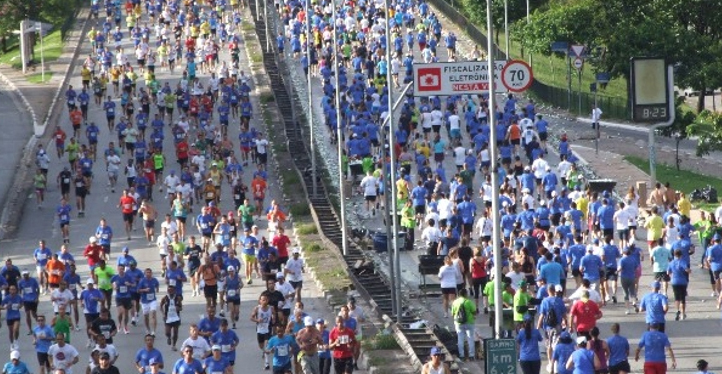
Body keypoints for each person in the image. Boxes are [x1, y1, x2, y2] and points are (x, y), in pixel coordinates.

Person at [251, 294, 276, 370]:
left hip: (267, 329)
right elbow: (251, 318)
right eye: (263, 300)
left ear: (268, 301)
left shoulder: (271, 308)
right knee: (261, 346)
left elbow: (274, 314)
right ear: (260, 301)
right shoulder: (257, 309)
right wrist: (257, 320)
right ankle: (264, 351)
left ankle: (266, 363)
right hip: (259, 329)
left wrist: (273, 318)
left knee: (266, 346)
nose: (264, 301)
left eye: (266, 300)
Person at [451, 289, 476, 361]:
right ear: (465, 294)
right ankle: (471, 355)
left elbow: (452, 314)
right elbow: (474, 312)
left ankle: (461, 356)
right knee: (470, 338)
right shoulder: (468, 302)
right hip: (469, 322)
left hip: (458, 323)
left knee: (460, 339)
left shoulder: (455, 302)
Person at [160, 285, 183, 351]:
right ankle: (169, 337)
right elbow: (161, 306)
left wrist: (178, 308)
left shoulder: (178, 298)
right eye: (169, 290)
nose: (170, 292)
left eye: (172, 290)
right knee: (167, 332)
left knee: (175, 333)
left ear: (174, 291)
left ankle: (174, 345)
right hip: (168, 317)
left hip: (176, 317)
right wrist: (163, 314)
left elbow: (181, 308)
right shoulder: (165, 298)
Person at [1, 284, 23, 350]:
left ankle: (16, 341)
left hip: (16, 315)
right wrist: (5, 307)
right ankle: (11, 343)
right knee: (10, 331)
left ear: (16, 290)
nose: (12, 290)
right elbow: (1, 306)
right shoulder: (7, 298)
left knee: (15, 329)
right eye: (11, 289)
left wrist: (20, 306)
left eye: (13, 289)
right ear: (9, 290)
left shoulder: (19, 297)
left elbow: (22, 303)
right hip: (9, 316)